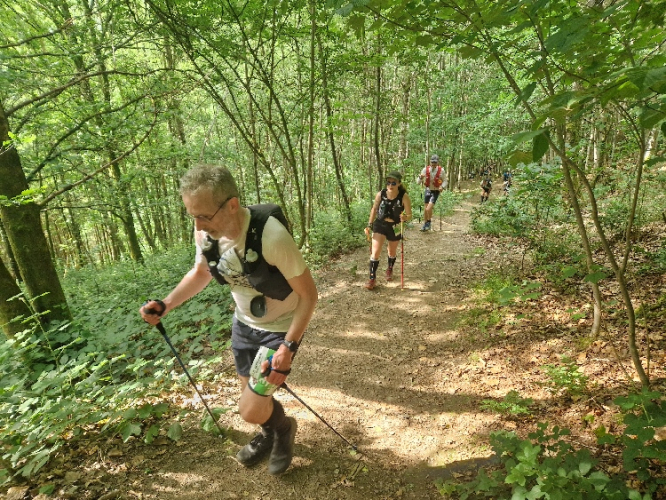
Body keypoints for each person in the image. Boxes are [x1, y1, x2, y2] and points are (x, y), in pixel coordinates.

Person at [140, 164, 317, 476]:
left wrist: (288, 346)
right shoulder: (206, 235)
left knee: (249, 408)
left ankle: (283, 429)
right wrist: (166, 304)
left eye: (204, 216)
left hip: (279, 328)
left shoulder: (271, 236)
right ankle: (272, 431)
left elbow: (309, 295)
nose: (198, 225)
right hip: (244, 325)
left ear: (232, 205)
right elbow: (201, 273)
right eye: (192, 216)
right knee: (255, 401)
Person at [364, 171, 412, 290]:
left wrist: (405, 217)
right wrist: (369, 224)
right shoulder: (381, 194)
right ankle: (372, 278)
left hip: (395, 226)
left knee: (392, 251)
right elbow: (374, 209)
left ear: (399, 183)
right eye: (388, 182)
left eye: (393, 183)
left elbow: (409, 214)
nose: (390, 185)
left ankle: (390, 268)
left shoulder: (404, 196)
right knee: (375, 252)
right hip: (380, 224)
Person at [417, 154, 444, 231]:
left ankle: (428, 222)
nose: (433, 164)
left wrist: (442, 186)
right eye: (432, 162)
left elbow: (445, 181)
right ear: (430, 162)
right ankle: (425, 225)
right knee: (426, 209)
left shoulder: (441, 171)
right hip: (428, 190)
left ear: (438, 163)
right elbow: (418, 182)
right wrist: (420, 177)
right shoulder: (425, 170)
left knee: (428, 208)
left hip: (436, 191)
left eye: (435, 162)